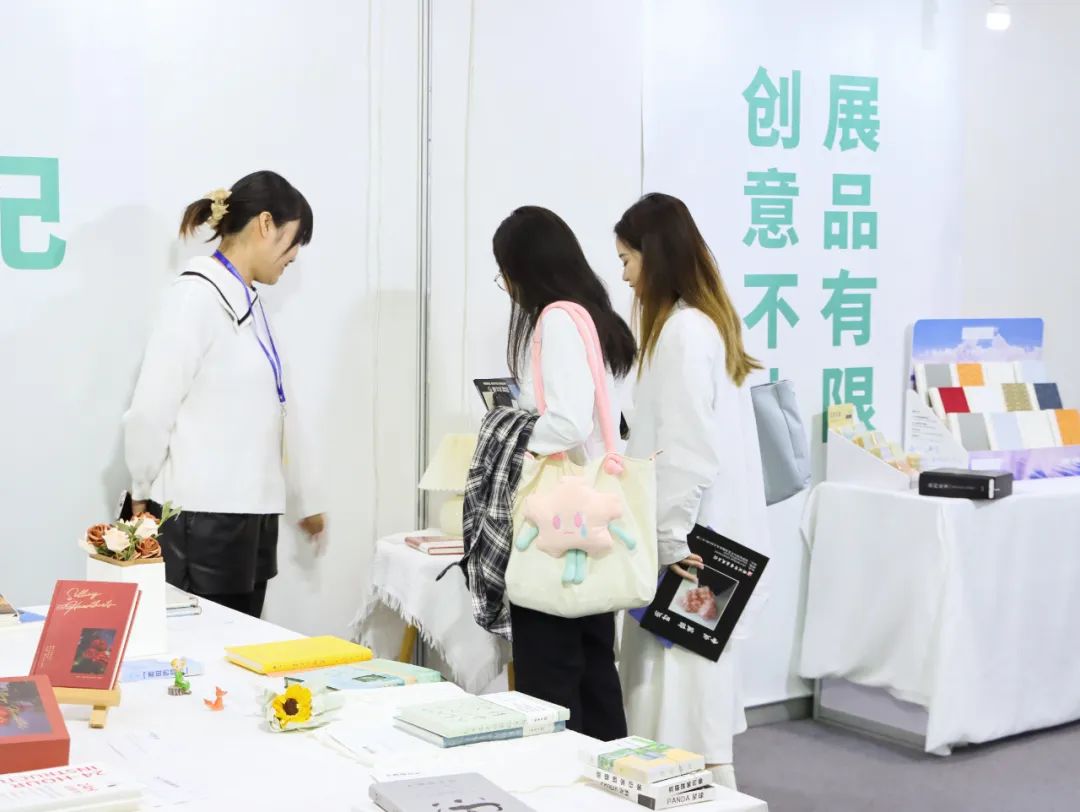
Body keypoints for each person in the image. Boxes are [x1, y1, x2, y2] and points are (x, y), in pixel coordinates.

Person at [614, 193, 770, 788]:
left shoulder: (682, 332)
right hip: (707, 538)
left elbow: (687, 453)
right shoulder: (708, 326)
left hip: (690, 548)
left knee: (679, 711)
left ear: (653, 256)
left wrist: (668, 539)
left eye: (627, 259)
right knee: (698, 708)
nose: (625, 276)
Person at [123, 170, 325, 618]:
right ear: (266, 224)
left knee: (241, 648)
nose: (295, 255)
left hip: (251, 515)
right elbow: (151, 410)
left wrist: (304, 500)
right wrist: (140, 488)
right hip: (201, 518)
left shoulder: (249, 304)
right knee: (199, 649)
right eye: (295, 240)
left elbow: (280, 409)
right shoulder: (194, 297)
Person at [493, 206, 637, 741]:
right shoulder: (590, 316)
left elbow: (569, 422)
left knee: (551, 674)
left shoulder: (555, 320)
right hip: (588, 518)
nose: (506, 286)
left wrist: (508, 434)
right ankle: (607, 772)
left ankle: (557, 778)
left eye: (504, 272)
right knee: (594, 668)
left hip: (557, 525)